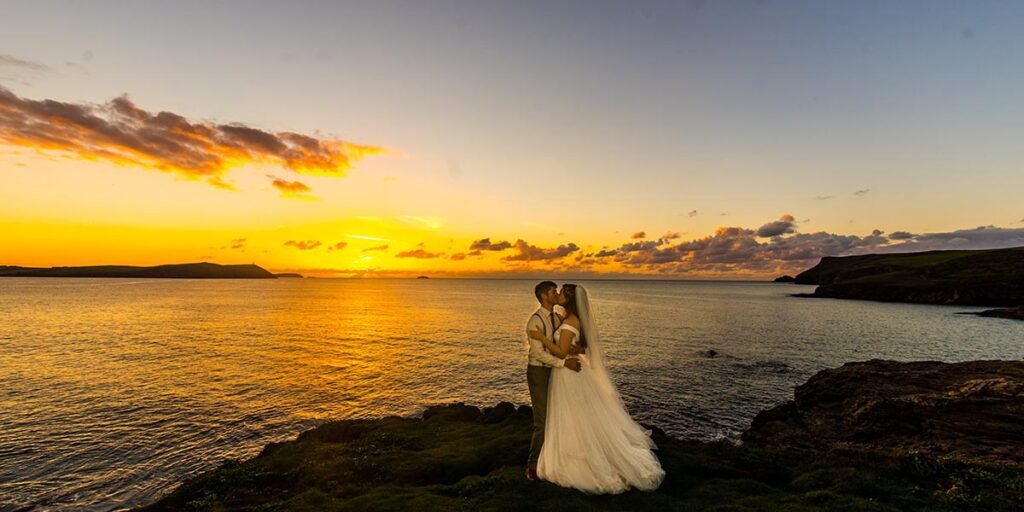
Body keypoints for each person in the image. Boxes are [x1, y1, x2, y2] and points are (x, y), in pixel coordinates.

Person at [530, 284, 665, 493]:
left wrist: (544, 339)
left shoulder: (567, 322)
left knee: (571, 414)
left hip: (567, 373)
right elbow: (579, 344)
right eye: (555, 292)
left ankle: (576, 454)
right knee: (575, 414)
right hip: (569, 371)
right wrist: (578, 348)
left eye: (562, 293)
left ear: (570, 300)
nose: (558, 294)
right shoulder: (560, 318)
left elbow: (561, 352)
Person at [524, 281, 581, 481]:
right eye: (553, 291)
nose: (556, 293)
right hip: (539, 372)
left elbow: (570, 341)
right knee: (542, 420)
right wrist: (564, 363)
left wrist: (576, 349)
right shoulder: (535, 322)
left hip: (555, 373)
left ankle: (554, 458)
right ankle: (532, 466)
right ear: (544, 296)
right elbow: (538, 354)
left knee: (557, 415)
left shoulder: (558, 318)